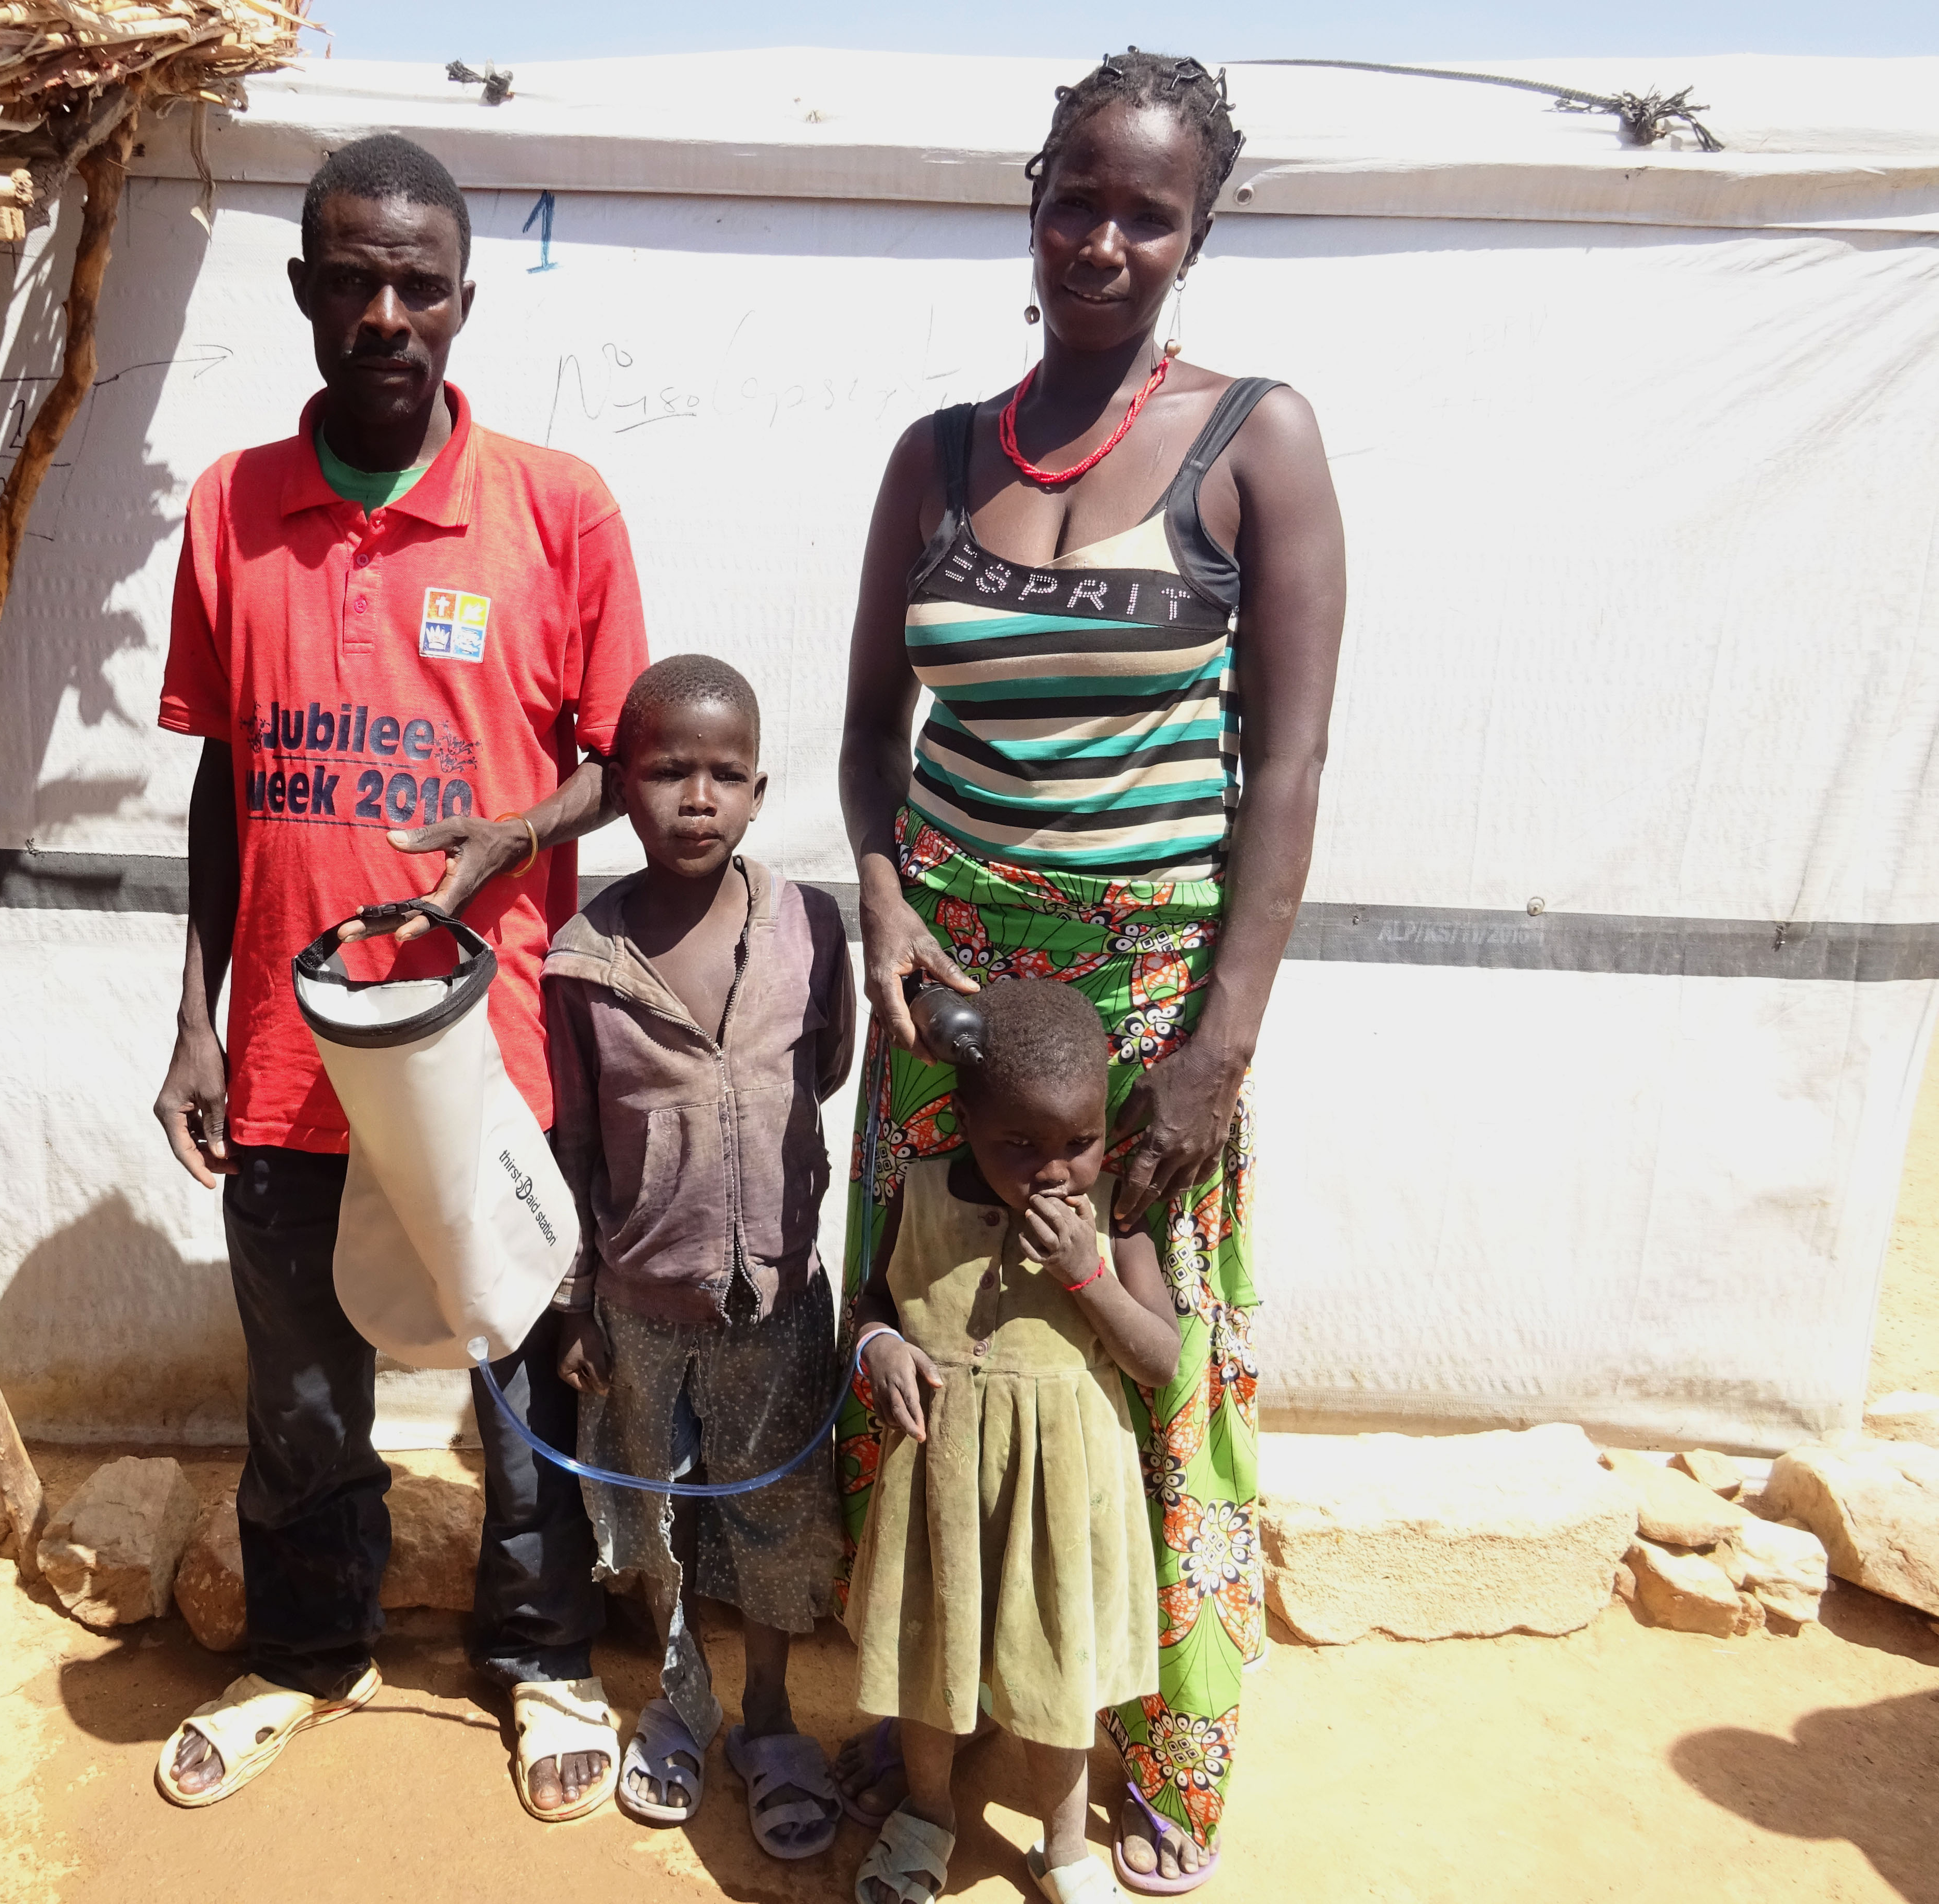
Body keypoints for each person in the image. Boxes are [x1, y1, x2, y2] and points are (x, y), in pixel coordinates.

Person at [832, 51, 1346, 1895]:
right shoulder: (938, 453)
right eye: (1077, 195)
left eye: (1148, 210)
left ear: (1196, 231)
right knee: (939, 1355)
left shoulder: (1254, 440)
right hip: (944, 1009)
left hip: (1134, 1024)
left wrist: (1218, 1041)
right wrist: (884, 911)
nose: (1103, 237)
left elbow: (1281, 769)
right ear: (1030, 194)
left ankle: (1145, 1753)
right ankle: (926, 1714)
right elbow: (864, 745)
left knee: (1136, 1364)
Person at [149, 132, 649, 1821]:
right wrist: (194, 1020)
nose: (384, 311)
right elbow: (219, 776)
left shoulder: (556, 507)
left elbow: (623, 764)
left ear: (460, 300)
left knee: (517, 1377)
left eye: (415, 283)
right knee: (299, 1388)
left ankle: (543, 1659)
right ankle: (301, 1649)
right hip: (288, 1053)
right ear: (303, 293)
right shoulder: (231, 504)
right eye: (350, 279)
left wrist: (506, 836)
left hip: (478, 1057)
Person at [543, 654, 856, 1855]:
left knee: (777, 1520)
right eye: (668, 771)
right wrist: (578, 1302)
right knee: (658, 1519)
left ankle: (770, 1720)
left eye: (726, 775)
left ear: (762, 790)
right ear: (622, 786)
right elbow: (575, 1142)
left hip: (776, 1303)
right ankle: (678, 1707)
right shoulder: (583, 961)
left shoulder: (811, 931)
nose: (697, 798)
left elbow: (819, 1081)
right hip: (638, 1306)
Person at [845, 978, 1182, 1904]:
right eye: (1020, 1147)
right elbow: (871, 1300)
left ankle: (1065, 1848)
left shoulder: (1115, 1220)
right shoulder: (918, 1193)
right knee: (931, 1657)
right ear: (964, 1119)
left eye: (1080, 1143)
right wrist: (879, 1346)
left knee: (1056, 1669)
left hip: (1061, 1503)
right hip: (942, 1489)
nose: (1055, 1172)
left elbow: (1160, 1359)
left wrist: (1089, 1278)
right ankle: (927, 1814)